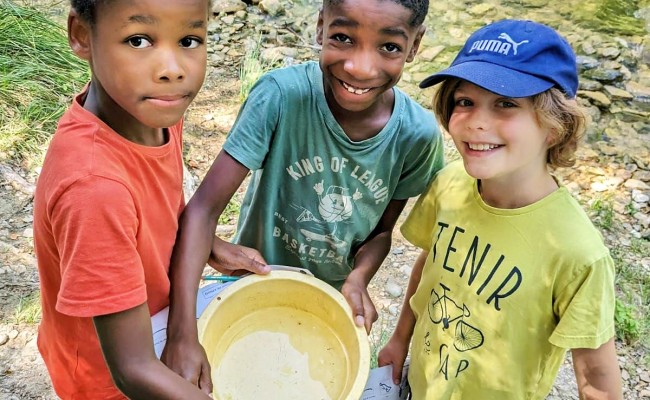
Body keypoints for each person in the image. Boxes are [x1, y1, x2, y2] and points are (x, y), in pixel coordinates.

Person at [164, 0, 445, 386]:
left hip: (330, 302)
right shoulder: (281, 96)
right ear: (319, 28)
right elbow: (202, 211)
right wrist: (182, 332)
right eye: (343, 38)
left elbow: (381, 233)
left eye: (389, 47)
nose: (360, 67)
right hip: (253, 283)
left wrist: (359, 278)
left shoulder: (416, 136)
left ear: (414, 47)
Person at [378, 19, 622, 399]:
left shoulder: (578, 253)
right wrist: (399, 339)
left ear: (554, 126)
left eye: (506, 104)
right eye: (465, 102)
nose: (477, 122)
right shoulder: (451, 182)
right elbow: (430, 264)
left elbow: (597, 380)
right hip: (423, 383)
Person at [33, 0, 219, 398]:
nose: (172, 68)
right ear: (82, 35)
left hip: (150, 324)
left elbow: (149, 212)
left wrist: (209, 245)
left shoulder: (150, 111)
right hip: (105, 379)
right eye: (138, 40)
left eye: (189, 39)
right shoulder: (93, 187)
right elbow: (133, 369)